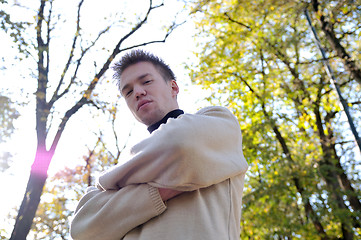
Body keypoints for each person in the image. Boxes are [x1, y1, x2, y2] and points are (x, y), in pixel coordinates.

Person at [70, 49, 248, 240]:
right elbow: (81, 227)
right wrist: (157, 192)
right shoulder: (131, 161)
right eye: (128, 92)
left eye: (146, 81)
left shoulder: (217, 120)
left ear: (173, 88)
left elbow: (181, 144)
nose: (138, 92)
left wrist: (110, 188)